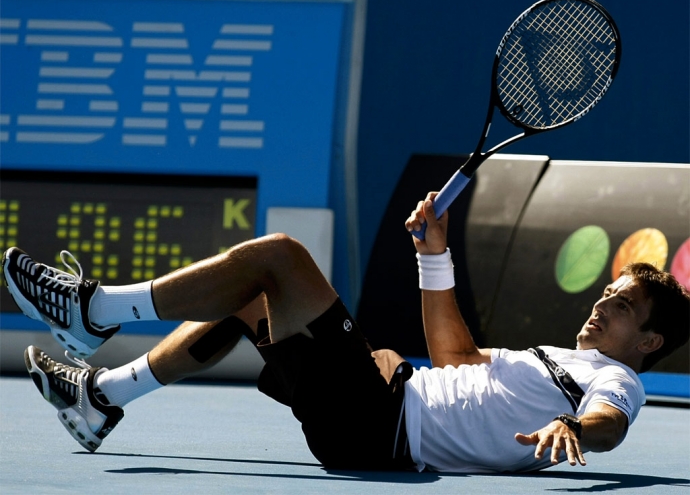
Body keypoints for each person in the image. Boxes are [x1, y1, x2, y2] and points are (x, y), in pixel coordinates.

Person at [3, 192, 689, 472]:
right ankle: (101, 398)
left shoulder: (616, 379)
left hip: (379, 421)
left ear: (649, 342)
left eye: (623, 306)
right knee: (250, 300)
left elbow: (609, 425)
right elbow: (454, 356)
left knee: (280, 257)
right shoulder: (557, 360)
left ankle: (95, 311)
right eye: (607, 293)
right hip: (377, 408)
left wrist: (577, 429)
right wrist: (434, 255)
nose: (602, 304)